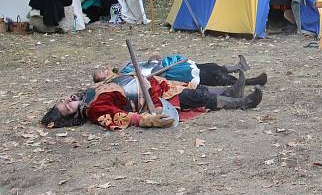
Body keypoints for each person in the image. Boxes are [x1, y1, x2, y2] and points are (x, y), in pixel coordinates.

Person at [41, 70, 263, 130]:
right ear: (71, 116)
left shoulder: (88, 94)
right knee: (195, 97)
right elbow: (123, 117)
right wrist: (149, 120)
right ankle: (242, 103)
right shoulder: (94, 110)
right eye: (67, 107)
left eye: (64, 100)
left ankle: (231, 90)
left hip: (152, 84)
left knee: (193, 89)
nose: (68, 101)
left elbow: (113, 80)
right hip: (150, 99)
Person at [92, 54, 267, 88]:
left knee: (211, 67)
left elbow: (145, 65)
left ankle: (238, 68)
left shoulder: (123, 68)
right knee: (215, 77)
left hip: (174, 65)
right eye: (102, 74)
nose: (105, 71)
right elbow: (149, 76)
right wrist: (156, 64)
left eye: (103, 69)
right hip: (172, 75)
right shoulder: (122, 79)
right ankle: (252, 81)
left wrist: (153, 58)